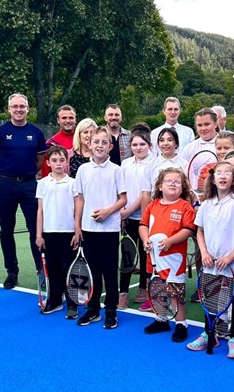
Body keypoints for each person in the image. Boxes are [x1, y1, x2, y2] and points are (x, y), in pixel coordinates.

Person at [186, 161, 234, 359]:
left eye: (227, 173)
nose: (222, 176)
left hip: (233, 266)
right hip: (210, 265)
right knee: (209, 299)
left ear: (233, 179)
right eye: (218, 172)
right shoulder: (206, 205)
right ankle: (208, 333)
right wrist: (203, 253)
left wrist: (230, 256)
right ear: (213, 178)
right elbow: (199, 231)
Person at [0, 93, 47, 289]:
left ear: (28, 109)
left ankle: (41, 271)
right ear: (9, 109)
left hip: (30, 186)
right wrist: (6, 177)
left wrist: (25, 175)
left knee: (35, 229)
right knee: (6, 230)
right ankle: (12, 272)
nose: (19, 110)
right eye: (15, 106)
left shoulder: (36, 133)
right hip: (6, 186)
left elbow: (40, 161)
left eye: (22, 106)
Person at [73, 126, 127, 329]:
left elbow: (123, 199)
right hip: (88, 230)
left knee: (109, 271)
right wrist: (77, 226)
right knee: (93, 271)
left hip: (110, 231)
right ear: (89, 144)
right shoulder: (82, 170)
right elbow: (79, 199)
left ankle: (111, 310)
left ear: (110, 146)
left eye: (104, 142)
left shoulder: (116, 170)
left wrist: (107, 211)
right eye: (96, 142)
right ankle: (93, 309)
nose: (100, 145)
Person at [139, 168, 196, 342]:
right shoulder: (153, 205)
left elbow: (188, 229)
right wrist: (145, 239)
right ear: (160, 186)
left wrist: (171, 241)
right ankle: (161, 319)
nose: (173, 184)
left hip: (174, 261)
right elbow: (143, 225)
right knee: (157, 290)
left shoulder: (185, 206)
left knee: (175, 293)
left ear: (183, 187)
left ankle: (181, 324)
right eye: (168, 181)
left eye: (177, 182)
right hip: (154, 260)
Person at [35, 145, 79, 318]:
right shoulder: (42, 183)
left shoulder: (73, 183)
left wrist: (77, 231)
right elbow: (40, 211)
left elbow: (77, 209)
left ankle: (72, 303)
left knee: (69, 269)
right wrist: (39, 234)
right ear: (48, 163)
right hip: (49, 233)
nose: (58, 163)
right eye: (54, 160)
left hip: (68, 233)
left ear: (66, 162)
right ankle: (54, 301)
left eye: (62, 160)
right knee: (52, 270)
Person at [118, 123, 154, 309]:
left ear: (149, 145)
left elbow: (145, 193)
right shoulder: (125, 164)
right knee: (127, 255)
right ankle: (123, 292)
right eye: (135, 145)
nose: (138, 148)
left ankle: (143, 288)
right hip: (128, 218)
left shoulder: (154, 163)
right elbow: (122, 190)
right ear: (130, 147)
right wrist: (123, 213)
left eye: (142, 144)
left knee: (144, 254)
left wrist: (129, 210)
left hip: (147, 219)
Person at [149, 127, 188, 196]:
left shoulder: (185, 164)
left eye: (170, 140)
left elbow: (188, 190)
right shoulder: (150, 165)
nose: (165, 143)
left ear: (176, 144)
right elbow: (146, 193)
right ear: (158, 144)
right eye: (162, 140)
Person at [40, 105, 77, 178]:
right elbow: (46, 171)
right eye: (64, 118)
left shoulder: (83, 139)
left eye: (71, 118)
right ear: (58, 120)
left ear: (75, 119)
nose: (68, 121)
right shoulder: (51, 143)